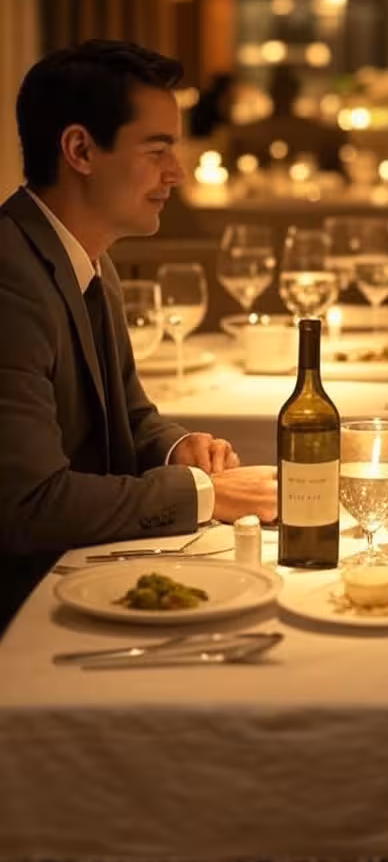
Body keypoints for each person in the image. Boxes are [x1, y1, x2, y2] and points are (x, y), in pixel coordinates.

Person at [0, 40, 277, 625]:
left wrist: (179, 447)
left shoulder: (90, 257)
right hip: (23, 610)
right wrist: (207, 495)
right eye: (157, 150)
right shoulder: (9, 276)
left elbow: (128, 416)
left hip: (86, 573)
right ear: (80, 150)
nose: (176, 173)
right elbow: (27, 505)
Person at [232, 66, 346, 175]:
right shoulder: (250, 133)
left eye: (286, 91)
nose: (283, 96)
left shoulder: (317, 133)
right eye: (280, 91)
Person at [188, 72, 236, 138]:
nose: (232, 90)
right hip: (203, 138)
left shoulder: (209, 97)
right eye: (231, 87)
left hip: (199, 136)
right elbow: (219, 121)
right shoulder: (214, 100)